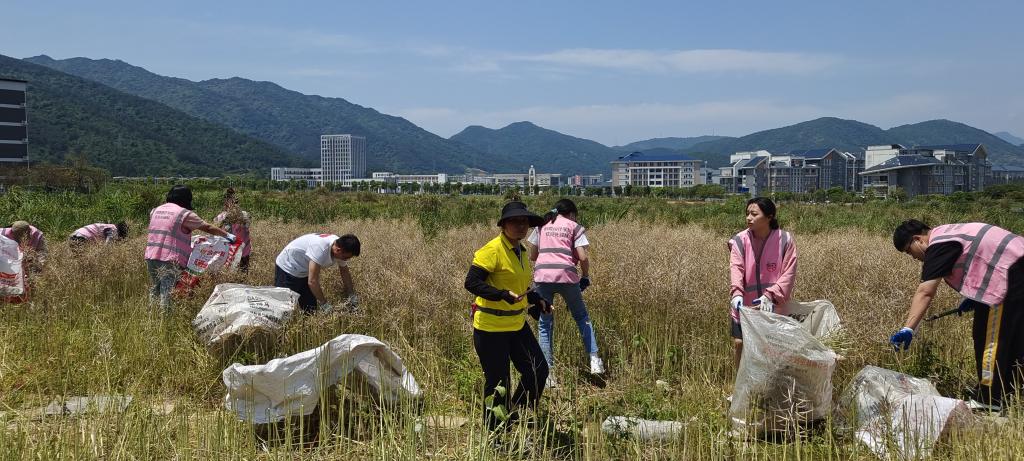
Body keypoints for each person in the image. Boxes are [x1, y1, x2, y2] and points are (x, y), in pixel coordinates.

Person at [890, 220, 1024, 411]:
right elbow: (979, 257)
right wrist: (976, 297)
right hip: (1016, 269)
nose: (913, 258)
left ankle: (989, 400)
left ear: (917, 239)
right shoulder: (949, 233)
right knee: (1016, 338)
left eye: (909, 251)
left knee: (989, 338)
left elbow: (926, 291)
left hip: (1009, 277)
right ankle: (1010, 393)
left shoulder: (937, 245)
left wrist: (908, 328)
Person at [464, 201, 551, 434]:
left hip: (516, 324)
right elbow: (471, 283)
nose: (521, 226)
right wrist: (501, 295)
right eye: (515, 221)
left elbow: (521, 286)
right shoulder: (492, 250)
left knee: (538, 370)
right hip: (491, 328)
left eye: (525, 222)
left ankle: (515, 413)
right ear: (503, 225)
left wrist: (537, 299)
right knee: (498, 383)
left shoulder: (521, 251)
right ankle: (495, 433)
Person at [525, 199, 603, 387]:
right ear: (572, 213)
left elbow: (533, 256)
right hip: (567, 276)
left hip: (543, 277)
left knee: (545, 324)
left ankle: (549, 375)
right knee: (581, 316)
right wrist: (585, 276)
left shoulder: (541, 225)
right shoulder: (574, 227)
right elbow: (583, 257)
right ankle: (594, 360)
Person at [727, 197, 798, 370]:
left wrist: (771, 295)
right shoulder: (739, 240)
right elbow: (736, 268)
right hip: (744, 305)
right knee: (739, 344)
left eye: (754, 214)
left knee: (769, 348)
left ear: (769, 217)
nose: (748, 218)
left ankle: (765, 388)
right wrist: (736, 293)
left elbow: (789, 272)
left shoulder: (785, 240)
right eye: (747, 214)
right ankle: (740, 388)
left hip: (771, 306)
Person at [145, 185, 235, 310]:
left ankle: (151, 316)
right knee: (167, 292)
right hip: (170, 259)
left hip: (151, 257)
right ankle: (164, 322)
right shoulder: (184, 214)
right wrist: (228, 235)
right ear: (185, 200)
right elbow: (207, 227)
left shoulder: (155, 210)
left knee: (156, 287)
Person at [274, 233, 360, 314]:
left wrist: (351, 294)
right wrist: (324, 304)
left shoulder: (340, 246)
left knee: (311, 309)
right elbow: (312, 281)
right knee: (283, 307)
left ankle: (307, 326)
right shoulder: (320, 249)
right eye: (346, 257)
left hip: (305, 271)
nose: (346, 260)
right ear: (338, 250)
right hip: (288, 267)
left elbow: (344, 271)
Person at [214, 188, 252, 272]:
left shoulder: (222, 216)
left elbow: (216, 228)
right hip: (242, 251)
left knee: (233, 275)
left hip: (231, 252)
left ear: (226, 203)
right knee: (242, 275)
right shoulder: (245, 215)